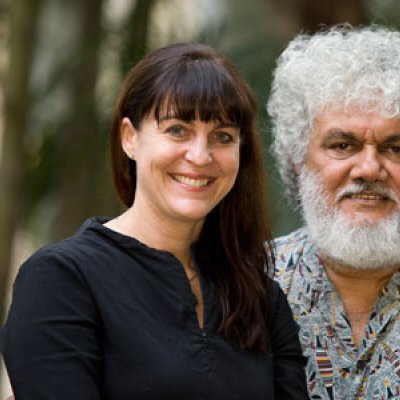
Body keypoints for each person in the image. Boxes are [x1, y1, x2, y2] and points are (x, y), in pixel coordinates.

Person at [2, 42, 307, 399]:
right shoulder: (62, 280)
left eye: (222, 137)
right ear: (130, 138)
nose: (200, 155)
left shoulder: (259, 297)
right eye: (177, 129)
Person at [267, 24, 400, 399]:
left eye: (395, 148)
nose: (370, 169)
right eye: (343, 145)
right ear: (298, 157)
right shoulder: (241, 284)